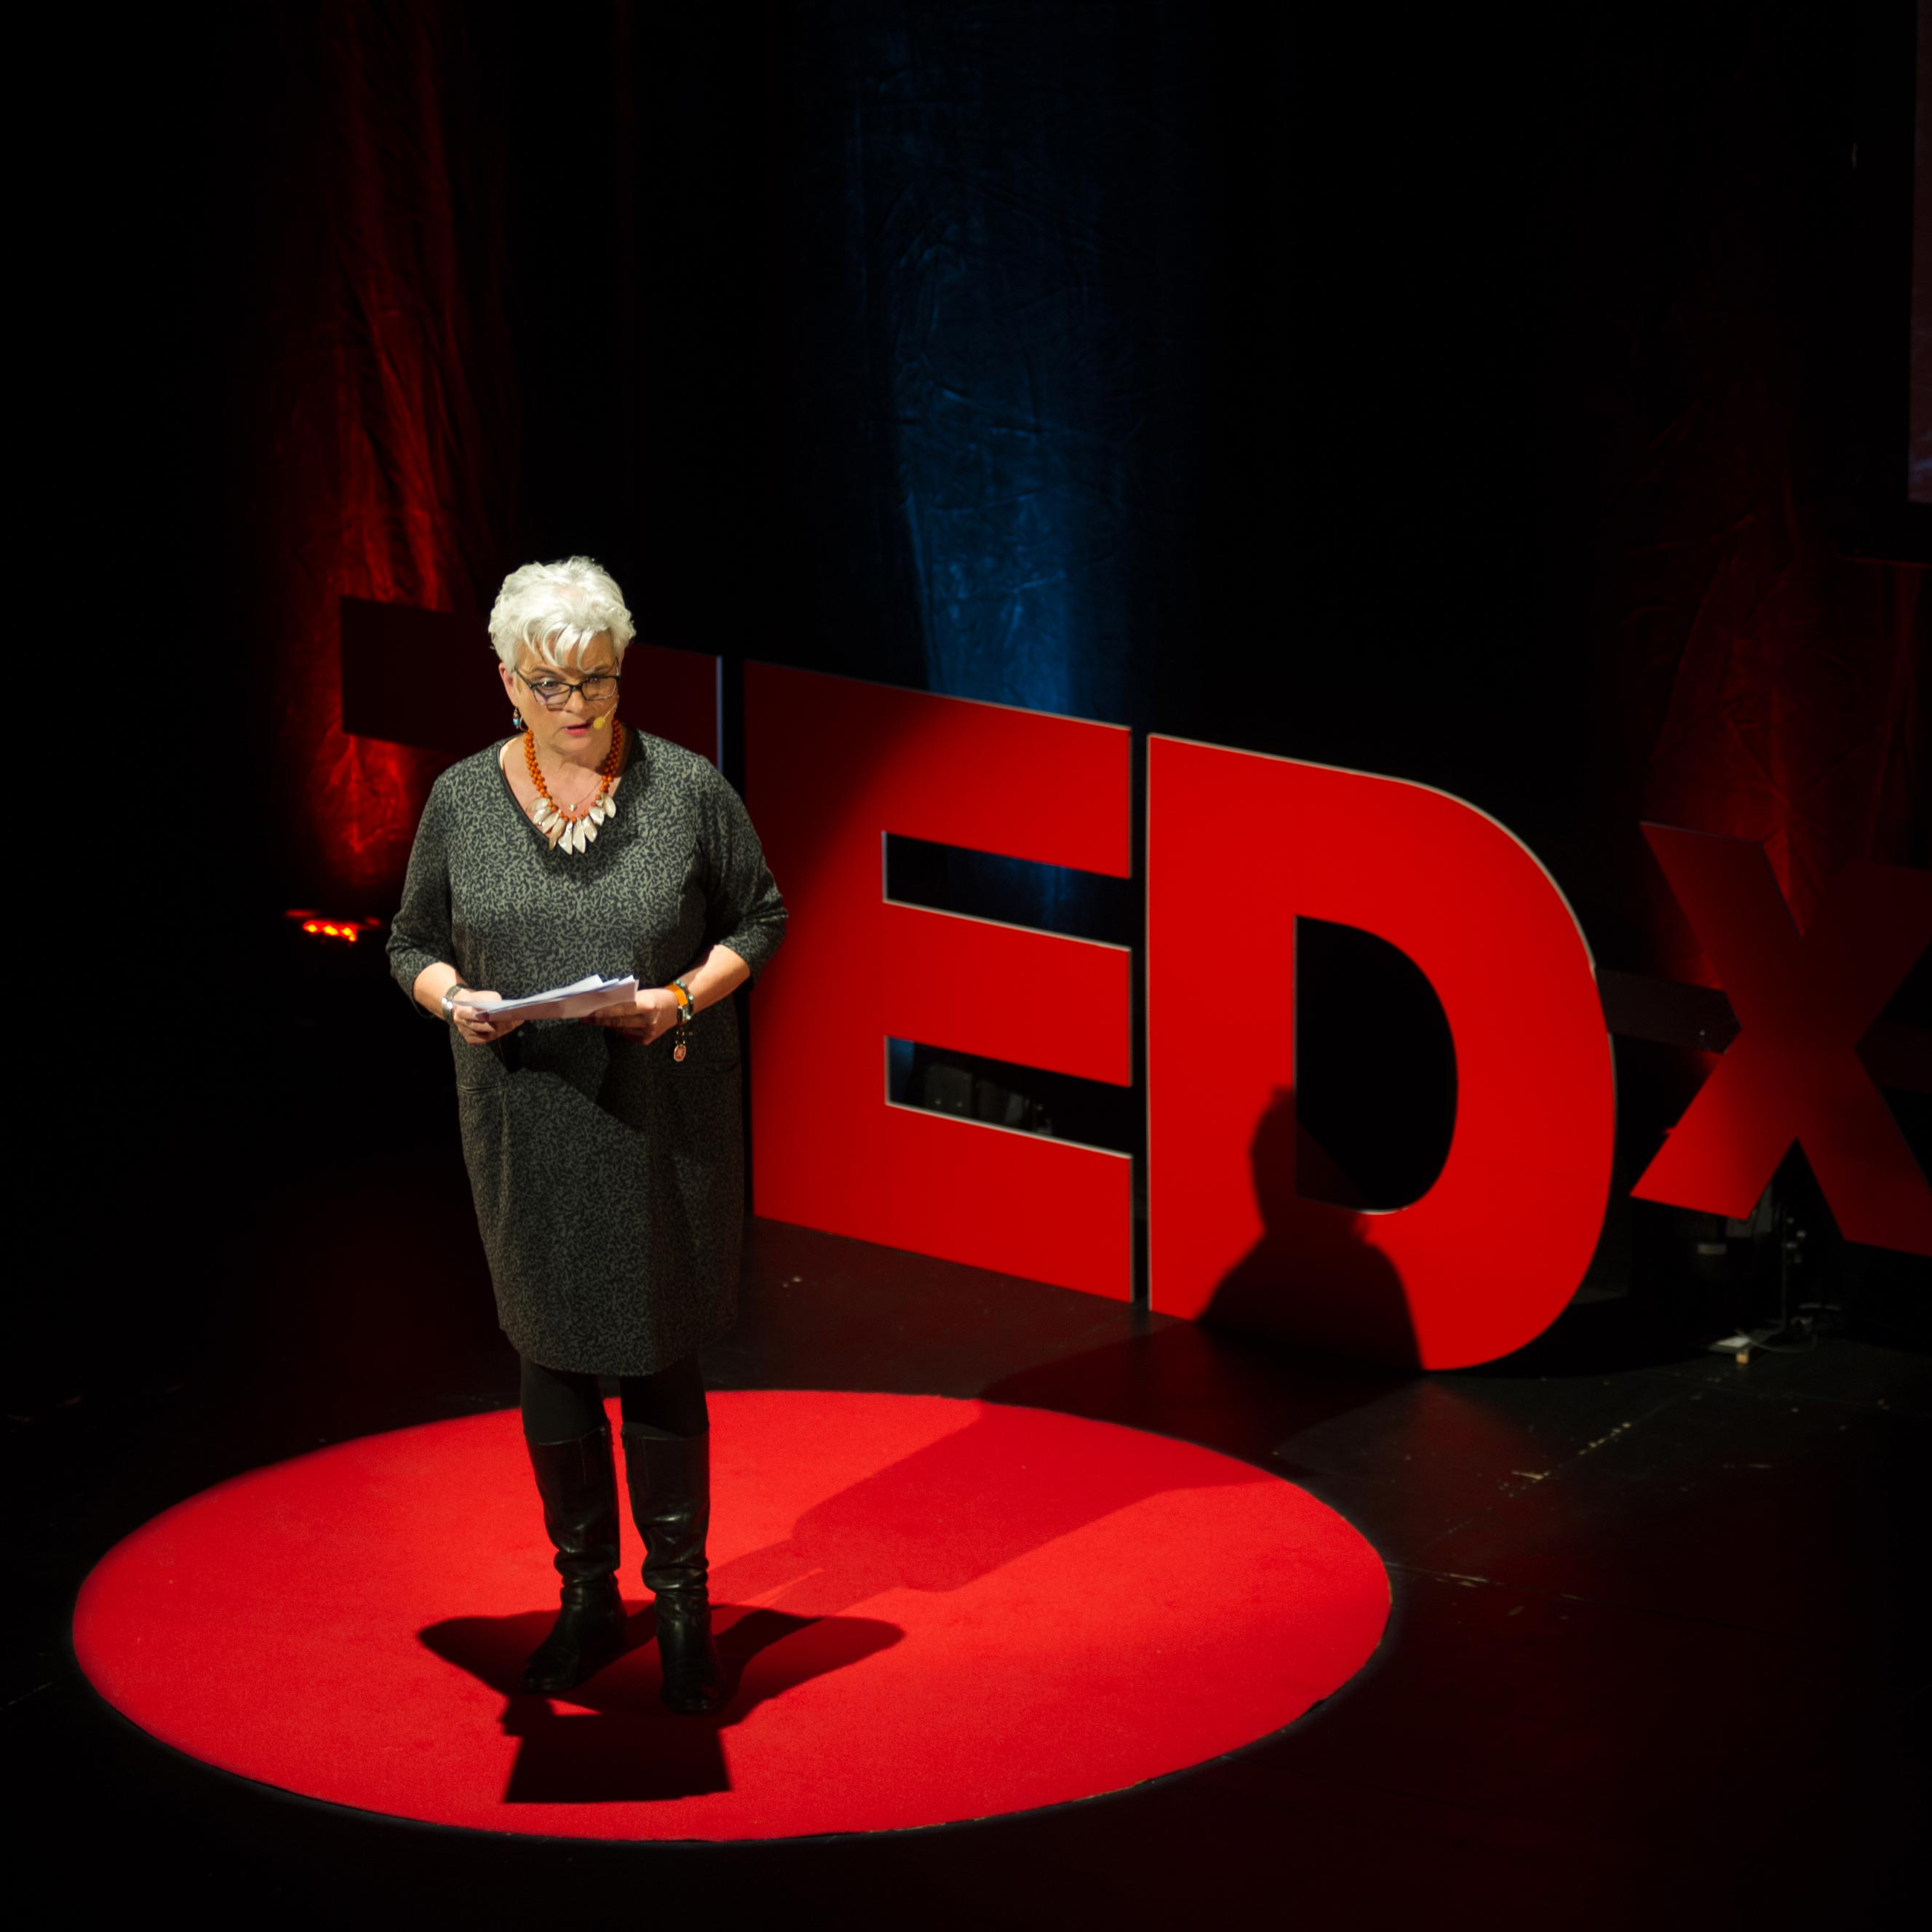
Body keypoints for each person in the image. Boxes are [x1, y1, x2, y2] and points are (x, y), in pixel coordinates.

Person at [387, 556, 786, 1713]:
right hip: (526, 1115)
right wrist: (450, 997)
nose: (577, 706)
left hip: (657, 1113)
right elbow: (408, 942)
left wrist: (677, 1000)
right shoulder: (462, 799)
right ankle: (584, 1597)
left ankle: (678, 1608)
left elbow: (761, 915)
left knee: (659, 1347)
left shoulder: (689, 789)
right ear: (506, 679)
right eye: (550, 684)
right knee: (552, 1350)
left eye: (598, 681)